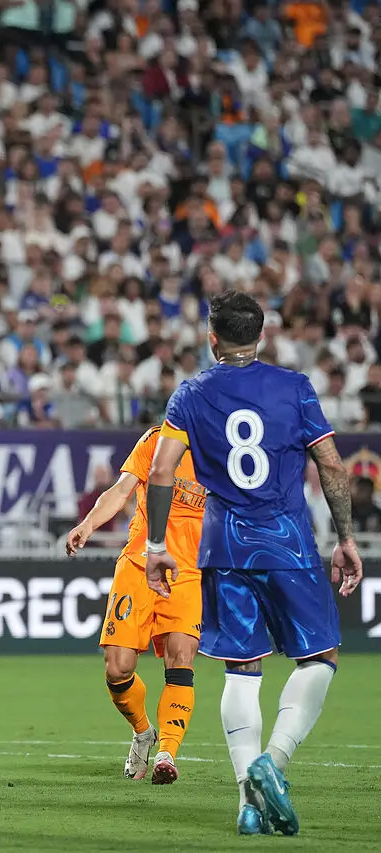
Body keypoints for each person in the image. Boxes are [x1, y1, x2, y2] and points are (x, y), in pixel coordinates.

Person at [144, 291, 364, 836]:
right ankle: (275, 761)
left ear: (211, 337)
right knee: (320, 656)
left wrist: (155, 545)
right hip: (287, 541)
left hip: (222, 544)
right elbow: (332, 468)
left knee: (242, 669)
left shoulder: (190, 393)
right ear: (261, 336)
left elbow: (161, 472)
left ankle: (247, 800)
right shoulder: (295, 388)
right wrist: (346, 538)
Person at [66, 427, 205, 785]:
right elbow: (122, 489)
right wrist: (90, 523)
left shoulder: (224, 449)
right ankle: (143, 732)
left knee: (181, 657)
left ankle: (167, 753)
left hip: (188, 571)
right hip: (139, 563)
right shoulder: (158, 439)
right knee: (117, 668)